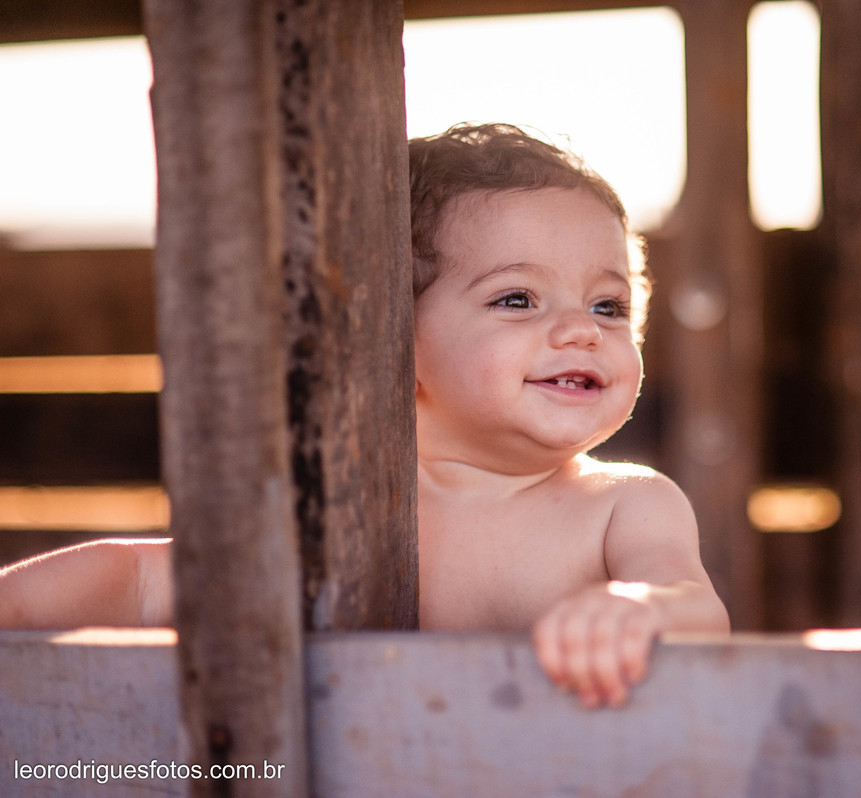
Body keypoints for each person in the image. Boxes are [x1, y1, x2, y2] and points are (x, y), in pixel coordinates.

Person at [0, 123, 730, 709]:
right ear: (393, 340)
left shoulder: (623, 507)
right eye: (518, 298)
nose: (582, 330)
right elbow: (143, 582)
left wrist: (640, 611)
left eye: (609, 306)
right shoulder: (337, 514)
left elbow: (696, 607)